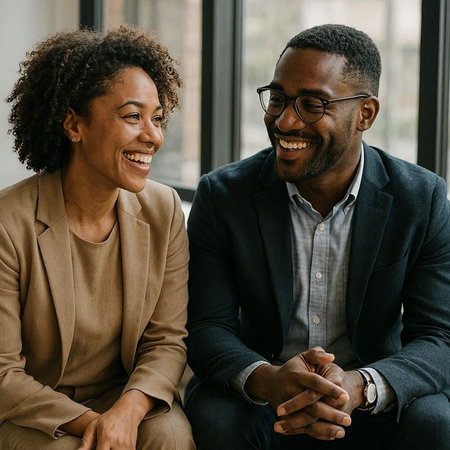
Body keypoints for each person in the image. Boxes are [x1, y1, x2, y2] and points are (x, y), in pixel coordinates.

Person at [185, 24, 450, 450]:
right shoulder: (224, 195)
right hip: (265, 394)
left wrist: (360, 386)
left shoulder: (421, 199)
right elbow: (205, 326)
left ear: (366, 113)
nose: (285, 120)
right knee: (215, 416)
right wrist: (268, 380)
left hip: (369, 392)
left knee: (435, 419)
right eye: (277, 99)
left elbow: (440, 337)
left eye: (312, 104)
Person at [0, 25, 195, 449]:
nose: (153, 136)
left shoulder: (164, 212)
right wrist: (94, 424)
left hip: (125, 397)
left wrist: (127, 412)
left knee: (170, 436)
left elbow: (166, 340)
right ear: (74, 124)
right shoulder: (8, 223)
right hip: (33, 410)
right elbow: (3, 374)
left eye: (157, 118)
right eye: (132, 116)